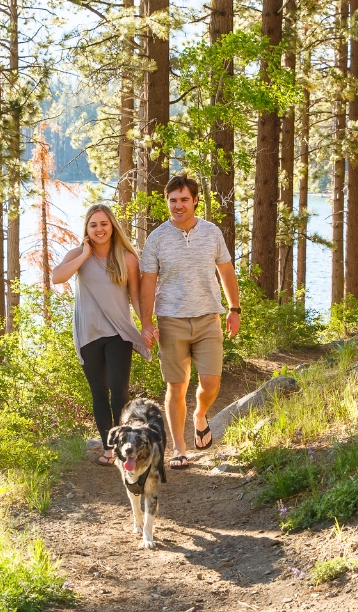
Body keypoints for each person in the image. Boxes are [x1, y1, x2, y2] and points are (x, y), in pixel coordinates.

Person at [139, 175, 241, 469]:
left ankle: (200, 415)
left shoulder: (211, 233)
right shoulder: (157, 238)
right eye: (173, 200)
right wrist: (146, 322)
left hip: (209, 317)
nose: (178, 205)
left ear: (195, 200)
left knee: (210, 383)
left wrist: (234, 309)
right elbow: (147, 283)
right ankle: (180, 449)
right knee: (176, 386)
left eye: (184, 199)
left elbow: (226, 271)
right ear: (166, 202)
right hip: (171, 320)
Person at [52, 204, 149, 466]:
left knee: (119, 389)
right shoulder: (77, 254)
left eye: (104, 224)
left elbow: (137, 298)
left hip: (118, 332)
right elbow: (56, 278)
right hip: (88, 334)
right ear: (87, 229)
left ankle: (123, 446)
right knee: (99, 391)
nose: (99, 229)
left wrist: (147, 325)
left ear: (112, 226)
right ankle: (109, 449)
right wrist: (84, 255)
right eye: (93, 225)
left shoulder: (127, 258)